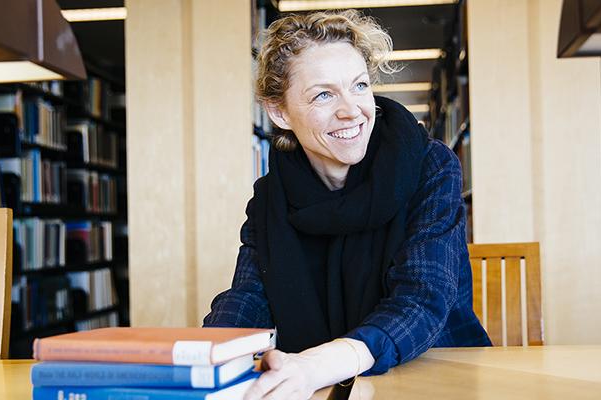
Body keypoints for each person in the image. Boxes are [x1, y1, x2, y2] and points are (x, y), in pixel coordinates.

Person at [203, 9, 491, 400]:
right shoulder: (270, 196)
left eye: (358, 86)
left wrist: (318, 364)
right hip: (322, 384)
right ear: (280, 111)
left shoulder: (431, 166)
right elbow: (250, 297)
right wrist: (208, 356)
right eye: (323, 94)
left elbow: (424, 299)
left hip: (436, 376)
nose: (352, 110)